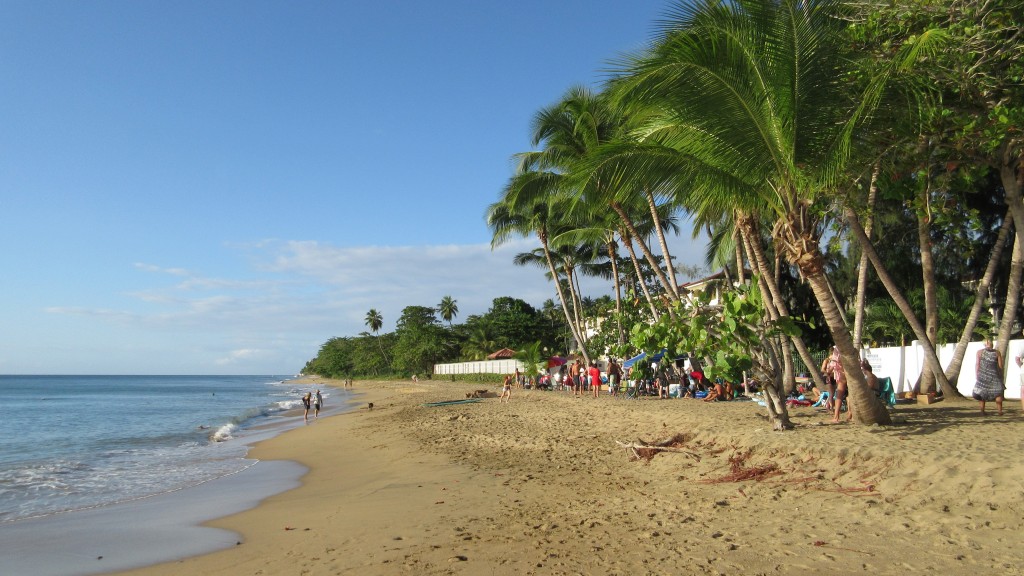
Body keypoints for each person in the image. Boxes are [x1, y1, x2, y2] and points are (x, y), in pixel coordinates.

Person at [974, 337, 1004, 415]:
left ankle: (982, 411)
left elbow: (977, 364)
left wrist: (977, 374)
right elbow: (1000, 366)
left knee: (982, 392)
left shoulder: (979, 352)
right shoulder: (997, 353)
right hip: (994, 375)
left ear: (985, 344)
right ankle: (1000, 411)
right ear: (991, 344)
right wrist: (1001, 375)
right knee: (998, 392)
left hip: (982, 375)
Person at [829, 347, 851, 423]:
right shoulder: (850, 346)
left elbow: (833, 364)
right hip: (851, 373)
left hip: (842, 373)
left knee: (839, 395)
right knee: (849, 395)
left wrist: (828, 372)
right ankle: (850, 413)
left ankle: (836, 416)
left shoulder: (837, 348)